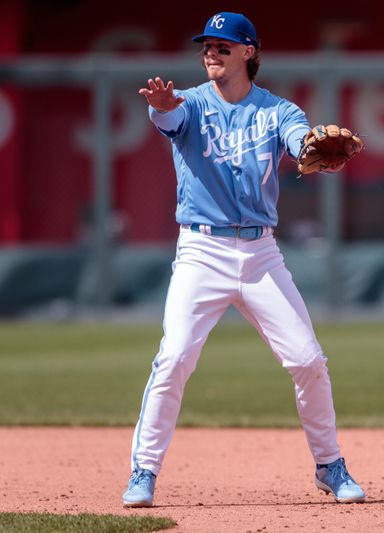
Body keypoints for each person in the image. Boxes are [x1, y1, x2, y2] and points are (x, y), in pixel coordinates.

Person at [122, 12, 365, 507]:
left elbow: (302, 143)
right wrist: (163, 108)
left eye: (223, 46)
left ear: (248, 52)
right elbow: (168, 118)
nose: (211, 53)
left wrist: (311, 149)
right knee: (174, 357)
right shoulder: (188, 103)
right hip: (201, 251)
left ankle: (329, 465)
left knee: (308, 360)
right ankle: (143, 471)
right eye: (207, 46)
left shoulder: (277, 111)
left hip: (260, 254)